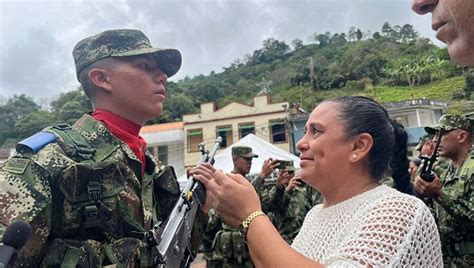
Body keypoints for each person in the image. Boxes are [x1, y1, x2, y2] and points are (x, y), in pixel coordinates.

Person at [0, 29, 213, 267]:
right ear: (101, 79)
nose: (163, 77)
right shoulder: (46, 162)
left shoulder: (151, 168)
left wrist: (201, 208)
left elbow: (176, 253)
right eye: (145, 66)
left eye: (161, 70)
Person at [196, 96, 443, 267]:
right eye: (305, 131)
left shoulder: (399, 210)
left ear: (358, 146)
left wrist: (249, 215)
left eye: (316, 131)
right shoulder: (315, 214)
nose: (302, 143)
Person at [413, 114, 473, 266]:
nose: (434, 140)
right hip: (448, 259)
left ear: (462, 136)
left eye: (442, 134)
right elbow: (440, 215)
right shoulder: (448, 169)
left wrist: (438, 194)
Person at [202, 146, 259, 268]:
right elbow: (211, 222)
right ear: (235, 160)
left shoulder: (249, 183)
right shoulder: (226, 184)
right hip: (228, 256)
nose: (250, 163)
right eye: (247, 160)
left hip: (248, 255)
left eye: (251, 160)